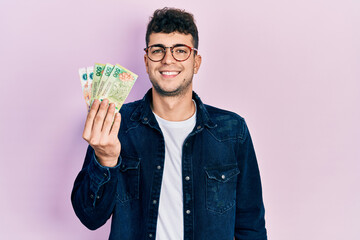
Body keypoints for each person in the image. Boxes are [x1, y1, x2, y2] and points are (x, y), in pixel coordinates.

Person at [71, 7, 267, 240]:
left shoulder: (233, 131)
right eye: (158, 50)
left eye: (180, 51)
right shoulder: (115, 123)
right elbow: (90, 218)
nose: (168, 59)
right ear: (146, 61)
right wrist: (105, 158)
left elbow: (251, 228)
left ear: (196, 62)